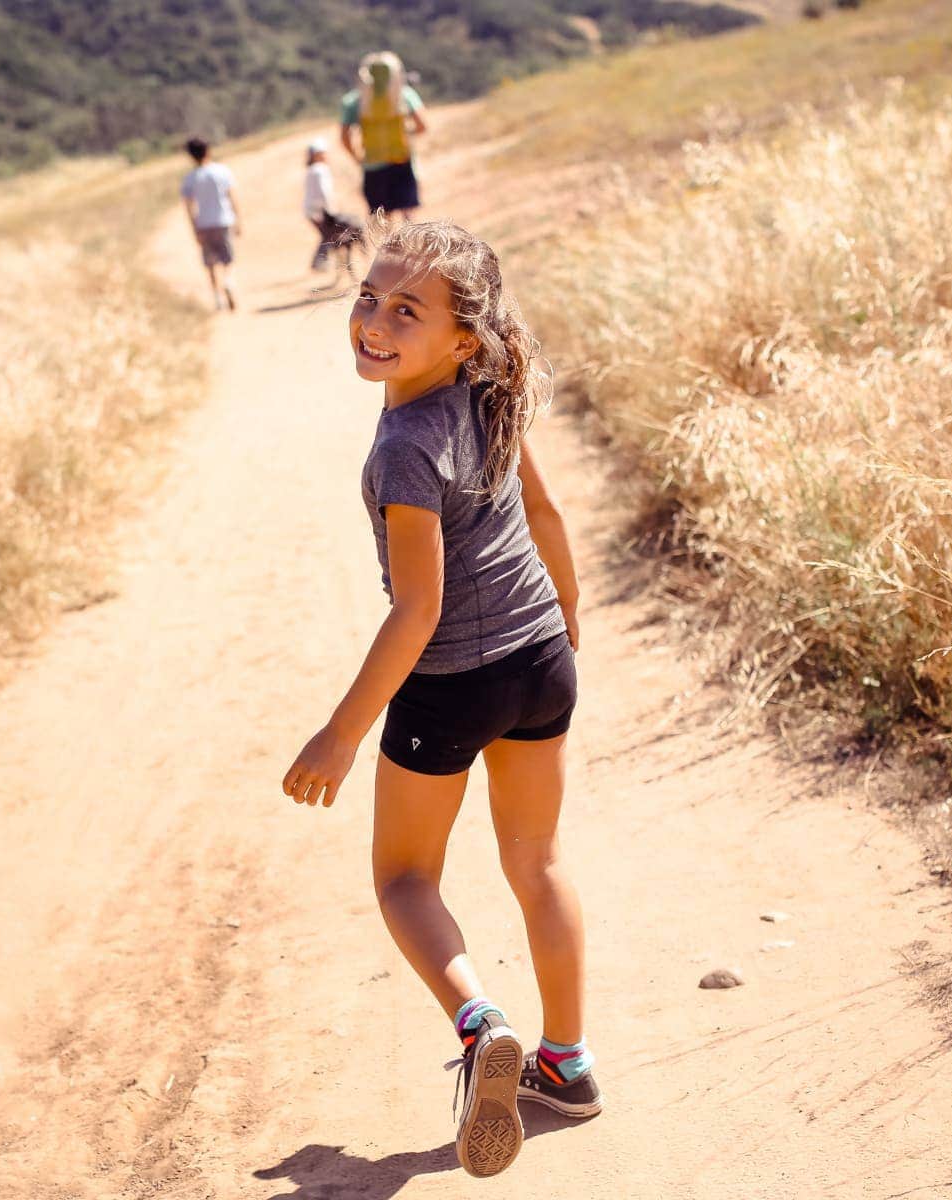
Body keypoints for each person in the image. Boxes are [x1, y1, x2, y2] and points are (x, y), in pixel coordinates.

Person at [280, 221, 598, 1179]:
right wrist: (567, 612)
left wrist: (341, 734)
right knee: (536, 862)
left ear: (463, 337)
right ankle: (567, 1069)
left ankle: (480, 1028)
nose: (373, 321)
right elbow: (543, 514)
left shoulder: (405, 450)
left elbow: (417, 612)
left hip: (453, 685)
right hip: (541, 658)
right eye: (369, 298)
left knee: (403, 880)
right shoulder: (489, 387)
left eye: (404, 310)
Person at [340, 52, 426, 220]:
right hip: (401, 160)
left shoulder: (353, 101)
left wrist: (358, 158)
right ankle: (412, 247)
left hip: (372, 165)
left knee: (384, 222)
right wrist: (407, 134)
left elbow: (344, 137)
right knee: (409, 218)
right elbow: (423, 126)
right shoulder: (404, 95)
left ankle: (390, 247)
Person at [179, 137, 242, 311]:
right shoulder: (222, 171)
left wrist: (194, 229)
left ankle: (217, 297)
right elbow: (232, 196)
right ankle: (228, 281)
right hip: (223, 220)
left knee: (211, 264)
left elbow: (189, 207)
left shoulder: (190, 178)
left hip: (204, 224)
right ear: (208, 151)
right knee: (228, 259)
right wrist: (238, 219)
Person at [303, 138, 363, 275]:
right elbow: (324, 191)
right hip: (320, 211)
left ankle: (324, 264)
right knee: (329, 236)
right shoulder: (320, 169)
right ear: (316, 154)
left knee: (328, 236)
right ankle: (320, 263)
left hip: (312, 210)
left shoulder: (312, 170)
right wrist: (331, 209)